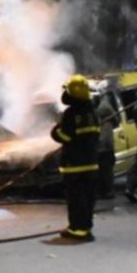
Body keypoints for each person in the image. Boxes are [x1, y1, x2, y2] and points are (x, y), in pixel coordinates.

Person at [51, 75, 101, 241]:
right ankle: (85, 226)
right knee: (88, 198)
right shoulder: (93, 113)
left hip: (74, 165)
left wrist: (55, 131)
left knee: (76, 198)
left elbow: (65, 137)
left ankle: (77, 229)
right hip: (92, 163)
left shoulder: (71, 114)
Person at [94, 88, 120, 199]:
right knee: (107, 170)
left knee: (103, 170)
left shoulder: (96, 111)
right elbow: (117, 122)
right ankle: (107, 191)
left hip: (100, 146)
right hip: (107, 146)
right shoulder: (107, 109)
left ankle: (104, 191)